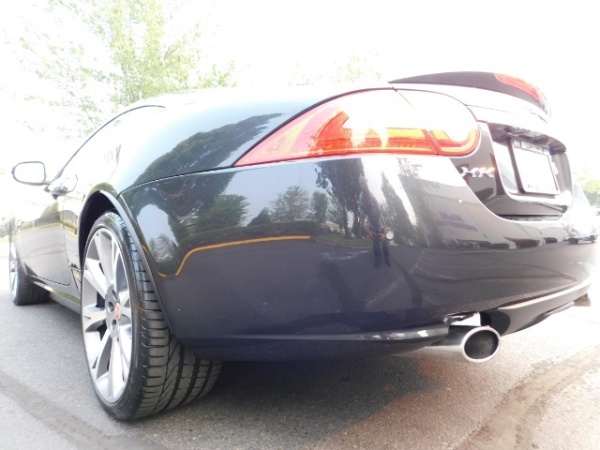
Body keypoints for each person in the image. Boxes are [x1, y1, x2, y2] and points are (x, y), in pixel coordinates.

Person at [358, 176, 390, 267]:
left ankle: (387, 258)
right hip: (372, 225)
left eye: (369, 202)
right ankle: (378, 259)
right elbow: (362, 220)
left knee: (385, 243)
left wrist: (384, 234)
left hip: (380, 224)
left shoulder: (376, 206)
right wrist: (368, 232)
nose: (369, 204)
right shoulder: (362, 201)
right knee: (375, 244)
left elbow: (383, 220)